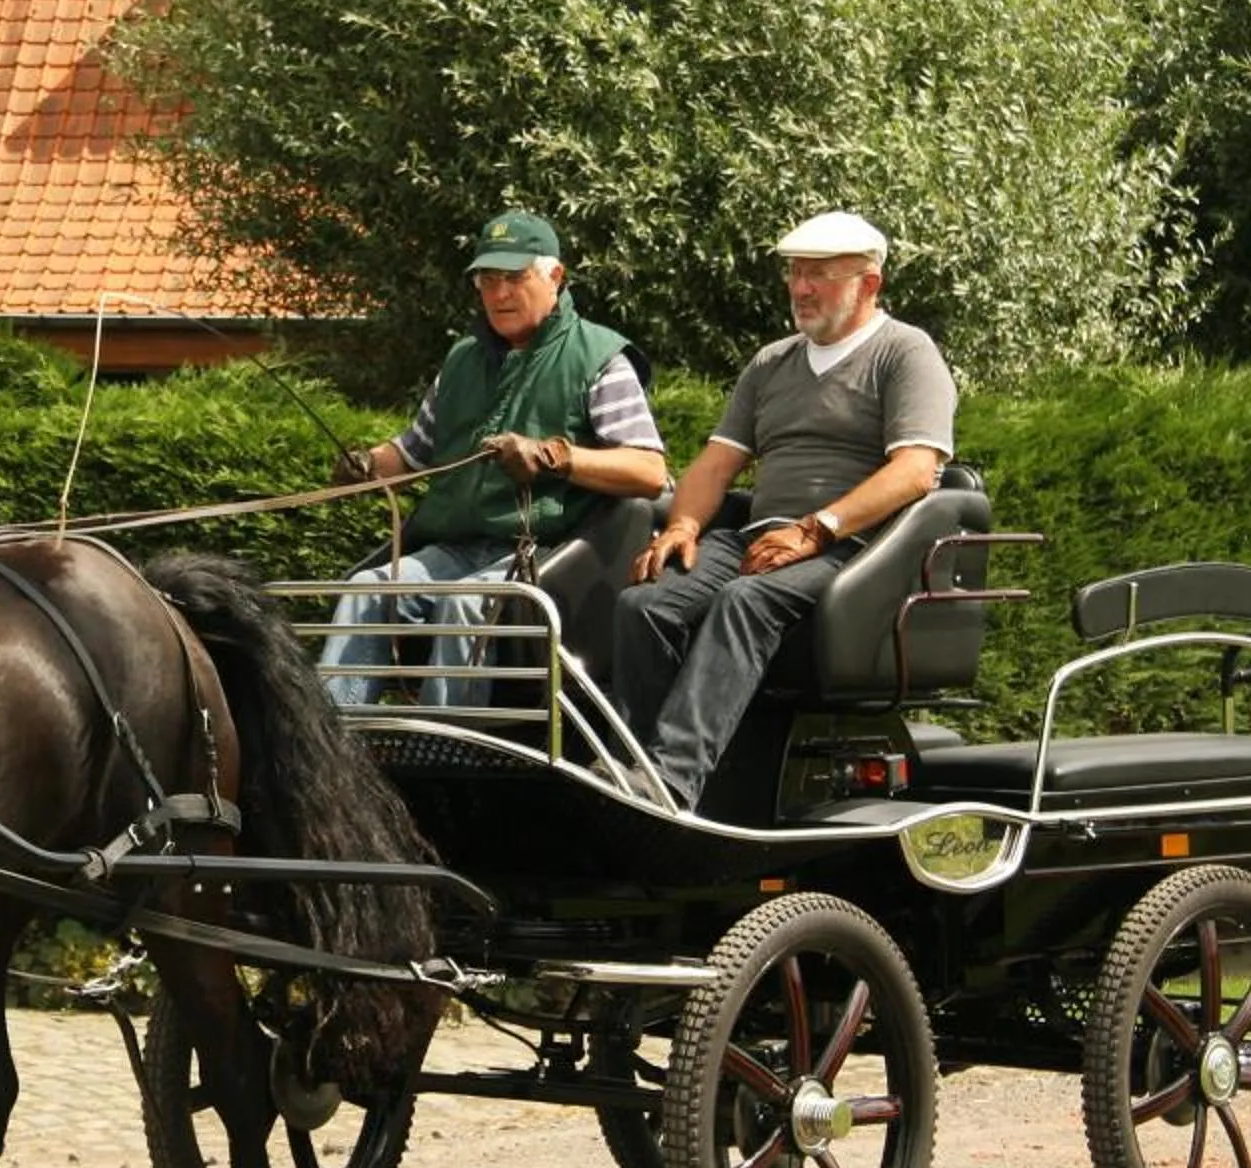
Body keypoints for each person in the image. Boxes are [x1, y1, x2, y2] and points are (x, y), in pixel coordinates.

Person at [611, 210, 957, 811]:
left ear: (868, 283)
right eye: (795, 273)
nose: (801, 288)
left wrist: (818, 528)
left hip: (858, 547)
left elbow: (916, 470)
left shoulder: (905, 353)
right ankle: (635, 768)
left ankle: (670, 782)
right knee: (643, 603)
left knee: (746, 600)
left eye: (819, 275)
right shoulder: (771, 363)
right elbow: (717, 464)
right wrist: (684, 525)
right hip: (759, 534)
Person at [321, 211, 670, 708]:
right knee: (366, 589)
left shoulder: (599, 358)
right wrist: (367, 464)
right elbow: (412, 453)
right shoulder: (462, 360)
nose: (499, 294)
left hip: (546, 555)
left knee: (464, 602)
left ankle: (448, 750)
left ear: (555, 276)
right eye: (487, 280)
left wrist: (553, 457)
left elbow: (649, 472)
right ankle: (334, 746)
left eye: (515, 278)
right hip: (457, 548)